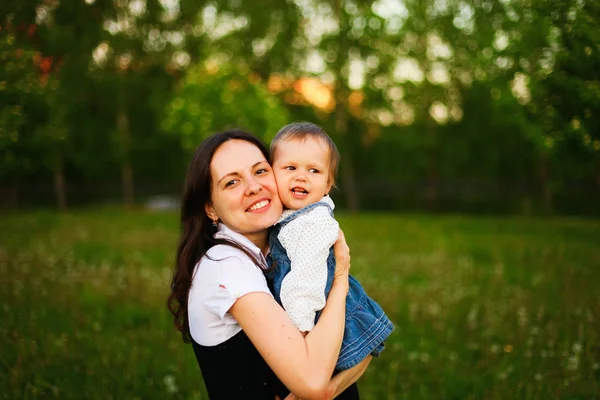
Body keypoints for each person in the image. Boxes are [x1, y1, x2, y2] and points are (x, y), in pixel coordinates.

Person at [167, 130, 370, 399]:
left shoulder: (284, 245)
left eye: (260, 171)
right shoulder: (226, 265)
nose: (253, 187)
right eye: (231, 183)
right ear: (210, 209)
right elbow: (313, 383)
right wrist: (341, 278)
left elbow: (366, 341)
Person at [266, 122, 394, 371]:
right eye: (290, 167)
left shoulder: (314, 221)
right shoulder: (288, 216)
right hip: (313, 315)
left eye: (314, 170)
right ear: (272, 174)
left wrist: (299, 328)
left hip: (317, 319)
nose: (301, 176)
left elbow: (307, 274)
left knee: (321, 381)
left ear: (327, 185)